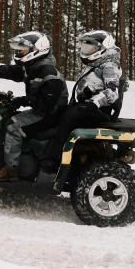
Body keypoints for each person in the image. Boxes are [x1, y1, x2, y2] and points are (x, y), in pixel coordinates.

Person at [0, 31, 68, 182]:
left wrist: (21, 101)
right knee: (8, 115)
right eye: (19, 49)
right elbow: (14, 71)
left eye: (23, 49)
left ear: (37, 49)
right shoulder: (33, 66)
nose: (19, 52)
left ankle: (11, 170)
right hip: (44, 110)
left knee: (14, 127)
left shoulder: (48, 73)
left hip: (50, 115)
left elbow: (45, 104)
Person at [38, 30, 121, 178]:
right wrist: (87, 94)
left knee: (68, 118)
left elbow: (113, 92)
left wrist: (95, 101)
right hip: (88, 105)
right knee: (59, 113)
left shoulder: (109, 65)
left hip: (100, 110)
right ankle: (43, 148)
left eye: (90, 48)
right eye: (84, 47)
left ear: (103, 48)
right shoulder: (96, 63)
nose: (86, 51)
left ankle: (53, 159)